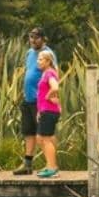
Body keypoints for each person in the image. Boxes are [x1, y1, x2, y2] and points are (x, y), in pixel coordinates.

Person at [13, 28, 56, 175]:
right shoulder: (30, 53)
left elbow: (54, 74)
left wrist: (48, 97)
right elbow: (29, 71)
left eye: (36, 38)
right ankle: (27, 164)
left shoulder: (48, 54)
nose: (33, 40)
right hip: (28, 98)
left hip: (41, 101)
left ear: (43, 39)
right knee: (28, 132)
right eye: (31, 37)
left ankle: (51, 165)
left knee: (44, 135)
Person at [35, 49, 61, 178]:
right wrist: (39, 111)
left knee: (45, 139)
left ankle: (52, 169)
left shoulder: (49, 73)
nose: (38, 62)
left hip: (50, 110)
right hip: (45, 110)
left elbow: (55, 87)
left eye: (40, 59)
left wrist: (48, 96)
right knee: (41, 138)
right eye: (38, 59)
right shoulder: (45, 73)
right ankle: (50, 164)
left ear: (48, 61)